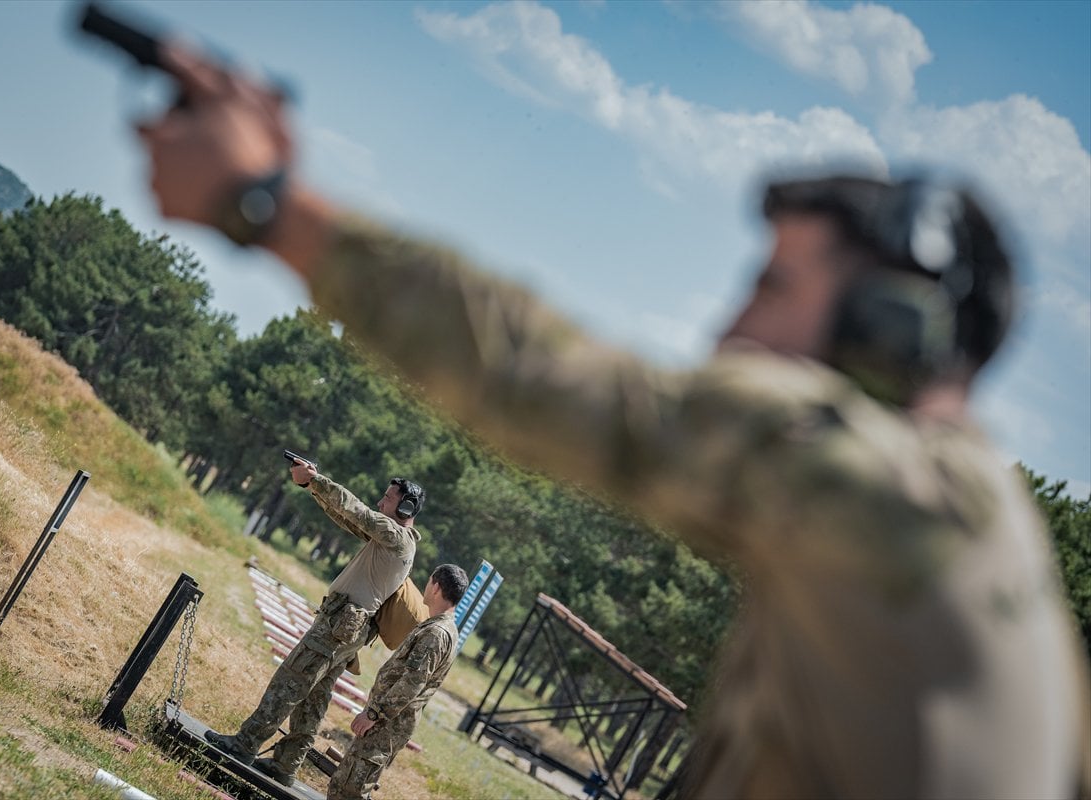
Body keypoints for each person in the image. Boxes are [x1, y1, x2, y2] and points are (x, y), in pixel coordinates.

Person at [138, 46, 1091, 798]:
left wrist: (263, 202)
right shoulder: (982, 540)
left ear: (893, 333)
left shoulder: (880, 488)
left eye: (772, 289)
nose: (730, 330)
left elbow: (529, 374)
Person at [205, 456, 426, 787]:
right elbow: (346, 518)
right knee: (313, 697)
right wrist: (312, 486)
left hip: (342, 623)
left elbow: (359, 512)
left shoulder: (395, 536)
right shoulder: (392, 538)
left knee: (290, 681)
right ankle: (285, 764)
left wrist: (317, 481)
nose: (381, 501)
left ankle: (245, 744)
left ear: (406, 508)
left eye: (389, 498)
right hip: (348, 626)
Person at [326, 563, 467, 800]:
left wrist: (373, 715)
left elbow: (412, 683)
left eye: (429, 580)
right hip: (387, 721)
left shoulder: (436, 633)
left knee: (350, 791)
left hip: (387, 724)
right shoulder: (441, 628)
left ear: (436, 587)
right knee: (344, 785)